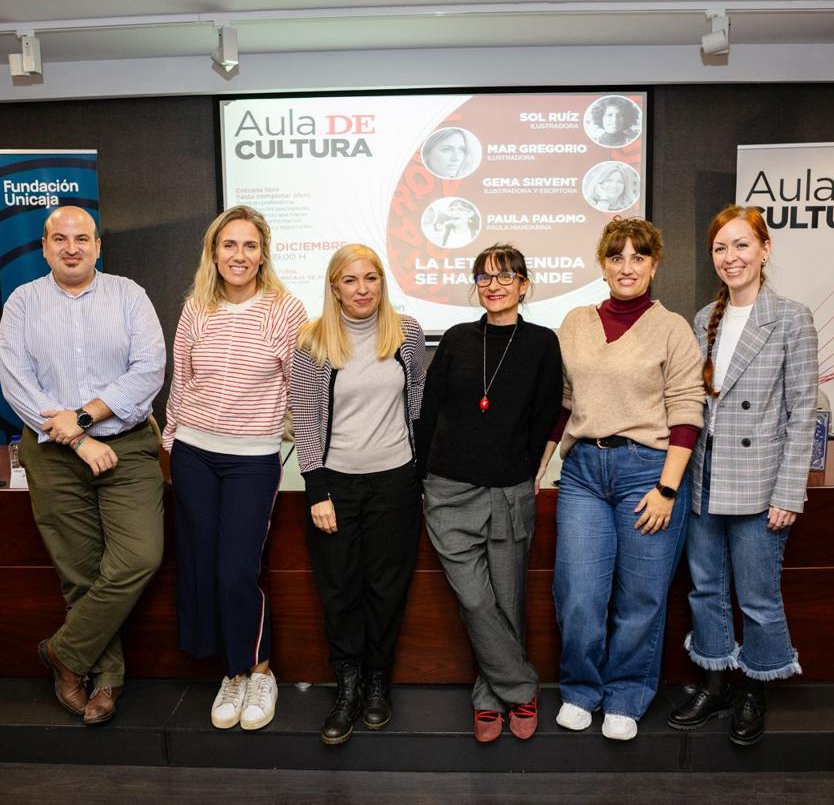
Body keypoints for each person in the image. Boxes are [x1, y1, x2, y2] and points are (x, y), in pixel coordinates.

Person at [0, 205, 166, 726]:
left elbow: (149, 370)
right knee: (80, 573)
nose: (72, 247)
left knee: (140, 556)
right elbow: (17, 383)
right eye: (60, 239)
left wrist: (85, 418)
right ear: (44, 247)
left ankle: (62, 654)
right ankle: (105, 680)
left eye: (82, 238)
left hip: (128, 447)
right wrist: (76, 441)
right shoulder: (23, 302)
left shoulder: (129, 295)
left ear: (98, 246)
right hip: (52, 456)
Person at [541, 217, 704, 741]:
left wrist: (667, 488)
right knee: (579, 593)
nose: (627, 267)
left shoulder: (673, 327)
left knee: (642, 596)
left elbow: (685, 410)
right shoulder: (575, 322)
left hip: (648, 474)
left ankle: (627, 695)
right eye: (617, 257)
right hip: (585, 471)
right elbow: (564, 405)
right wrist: (540, 470)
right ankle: (580, 690)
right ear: (602, 265)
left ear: (655, 265)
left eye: (638, 257)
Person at [667, 205, 818, 746]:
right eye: (720, 248)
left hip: (761, 486)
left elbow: (803, 412)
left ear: (765, 249)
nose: (730, 258)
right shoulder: (701, 317)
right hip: (704, 481)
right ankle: (715, 681)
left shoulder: (792, 317)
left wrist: (789, 492)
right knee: (706, 590)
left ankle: (755, 688)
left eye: (741, 246)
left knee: (757, 596)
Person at [162, 205, 307, 732]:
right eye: (229, 245)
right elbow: (181, 380)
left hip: (252, 460)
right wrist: (172, 442)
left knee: (235, 569)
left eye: (249, 246)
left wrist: (283, 434)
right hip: (194, 453)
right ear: (214, 252)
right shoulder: (197, 307)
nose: (238, 255)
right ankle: (233, 673)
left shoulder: (285, 310)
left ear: (263, 252)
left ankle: (260, 670)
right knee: (201, 566)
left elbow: (300, 387)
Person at [415, 243, 562, 743]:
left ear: (524, 284)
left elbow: (545, 415)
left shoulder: (543, 342)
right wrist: (421, 479)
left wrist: (530, 471)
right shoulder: (456, 338)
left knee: (508, 600)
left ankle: (488, 695)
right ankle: (521, 687)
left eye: (505, 276)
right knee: (477, 602)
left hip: (509, 492)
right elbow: (428, 412)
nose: (493, 284)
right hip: (448, 491)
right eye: (484, 276)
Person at [290, 244, 426, 746]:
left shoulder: (406, 333)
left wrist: (420, 474)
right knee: (341, 590)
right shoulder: (311, 341)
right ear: (334, 287)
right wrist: (317, 489)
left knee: (386, 590)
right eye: (350, 280)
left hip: (396, 482)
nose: (362, 289)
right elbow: (305, 420)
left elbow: (417, 407)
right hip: (337, 486)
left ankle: (376, 684)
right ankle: (345, 688)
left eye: (371, 278)